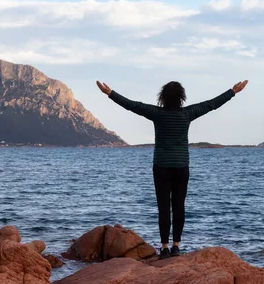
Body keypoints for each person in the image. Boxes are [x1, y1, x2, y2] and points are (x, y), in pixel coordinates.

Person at [96, 79, 249, 259]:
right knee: (179, 207)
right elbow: (211, 105)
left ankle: (164, 247)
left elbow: (132, 106)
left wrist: (110, 93)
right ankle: (176, 246)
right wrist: (233, 91)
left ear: (163, 97)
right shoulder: (187, 113)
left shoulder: (156, 113)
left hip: (161, 166)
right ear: (181, 97)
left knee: (163, 208)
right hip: (181, 166)